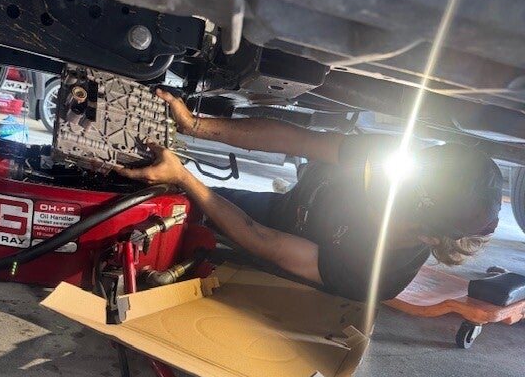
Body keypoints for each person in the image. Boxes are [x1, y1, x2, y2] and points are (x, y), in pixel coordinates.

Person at [116, 89, 503, 302]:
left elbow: (265, 240)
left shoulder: (375, 274)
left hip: (284, 248)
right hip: (292, 204)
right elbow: (297, 140)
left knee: (186, 211)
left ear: (428, 235)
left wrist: (184, 176)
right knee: (176, 196)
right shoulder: (395, 157)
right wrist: (194, 124)